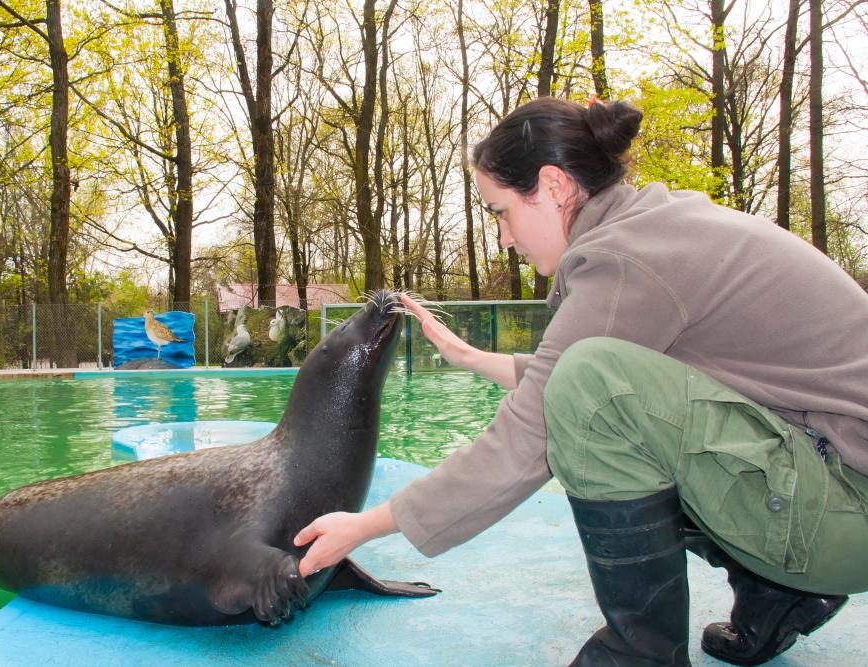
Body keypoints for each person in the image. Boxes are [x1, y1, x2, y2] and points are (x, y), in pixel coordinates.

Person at [293, 97, 868, 666]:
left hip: (845, 517)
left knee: (592, 392)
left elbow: (547, 418)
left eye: (500, 211)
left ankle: (638, 657)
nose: (504, 239)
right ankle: (779, 596)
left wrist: (366, 525)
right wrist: (472, 358)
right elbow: (606, 381)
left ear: (554, 186)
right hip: (835, 492)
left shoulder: (629, 258)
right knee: (594, 390)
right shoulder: (658, 226)